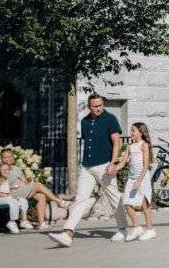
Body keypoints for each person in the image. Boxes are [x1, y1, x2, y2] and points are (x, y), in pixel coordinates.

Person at [48, 93, 128, 247]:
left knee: (114, 197)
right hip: (87, 166)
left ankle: (123, 229)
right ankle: (68, 233)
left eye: (100, 105)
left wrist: (113, 163)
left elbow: (116, 142)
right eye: (94, 106)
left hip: (104, 165)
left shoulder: (110, 119)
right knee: (80, 199)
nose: (98, 108)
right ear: (89, 106)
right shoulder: (84, 121)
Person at [0, 148, 68, 230]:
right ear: (1, 158)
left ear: (13, 157)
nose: (7, 159)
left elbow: (25, 182)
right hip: (11, 193)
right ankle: (58, 201)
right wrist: (14, 185)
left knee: (41, 196)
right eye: (4, 157)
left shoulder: (16, 168)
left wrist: (23, 184)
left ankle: (41, 223)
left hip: (22, 191)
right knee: (38, 185)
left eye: (9, 157)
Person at [113, 122, 156, 241]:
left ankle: (150, 230)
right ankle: (137, 228)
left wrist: (139, 180)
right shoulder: (130, 146)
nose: (131, 133)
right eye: (131, 130)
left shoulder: (144, 145)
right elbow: (123, 162)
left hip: (142, 178)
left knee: (145, 204)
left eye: (133, 130)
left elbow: (146, 164)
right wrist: (114, 168)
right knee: (127, 202)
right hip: (132, 178)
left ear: (140, 133)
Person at [0, 163, 32, 233]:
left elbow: (7, 190)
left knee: (22, 200)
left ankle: (24, 220)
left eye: (7, 169)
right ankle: (12, 222)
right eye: (3, 170)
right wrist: (9, 197)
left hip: (5, 198)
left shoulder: (5, 179)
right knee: (13, 202)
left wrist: (12, 196)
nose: (6, 171)